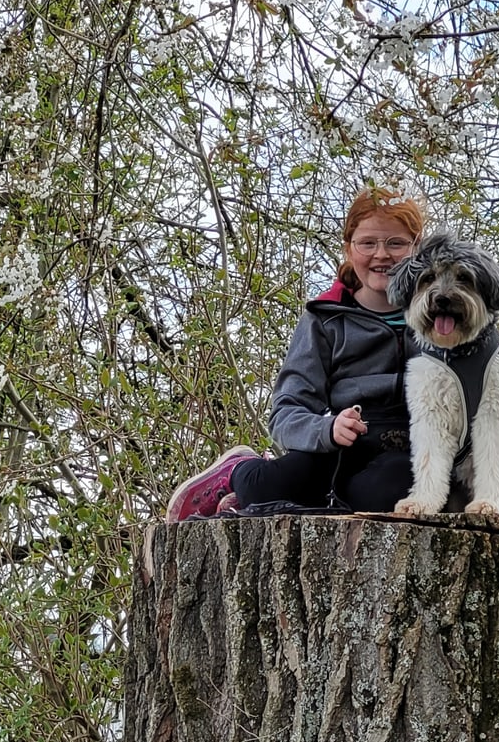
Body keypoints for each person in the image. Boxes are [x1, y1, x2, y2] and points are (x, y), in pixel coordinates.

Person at [165, 187, 424, 521]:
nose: (381, 255)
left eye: (396, 243)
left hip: (412, 447)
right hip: (340, 444)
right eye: (368, 243)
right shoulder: (325, 319)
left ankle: (328, 501)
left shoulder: (443, 312)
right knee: (267, 486)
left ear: (417, 247)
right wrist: (327, 428)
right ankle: (237, 474)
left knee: (386, 493)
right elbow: (287, 410)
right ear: (348, 247)